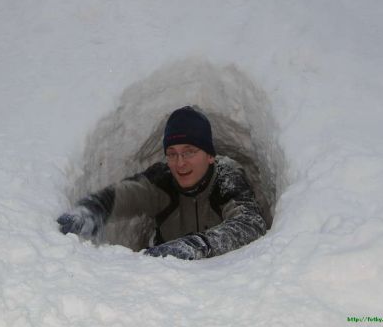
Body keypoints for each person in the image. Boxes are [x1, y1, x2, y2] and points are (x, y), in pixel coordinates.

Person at [57, 106, 268, 260]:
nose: (180, 163)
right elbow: (127, 194)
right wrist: (93, 210)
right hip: (164, 282)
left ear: (210, 155)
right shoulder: (163, 179)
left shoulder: (226, 178)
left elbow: (250, 224)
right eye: (172, 154)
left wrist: (197, 245)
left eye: (190, 152)